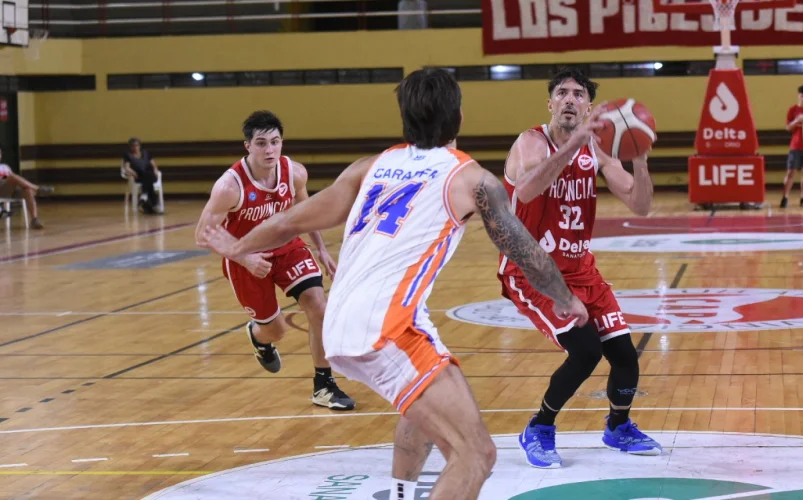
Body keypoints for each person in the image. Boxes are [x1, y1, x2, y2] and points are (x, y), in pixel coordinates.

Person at [197, 68, 588, 500]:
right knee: (476, 455)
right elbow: (526, 252)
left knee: (427, 396)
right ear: (458, 117)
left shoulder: (370, 167)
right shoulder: (471, 179)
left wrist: (237, 247)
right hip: (387, 325)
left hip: (340, 320)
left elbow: (290, 220)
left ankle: (402, 493)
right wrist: (566, 297)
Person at [499, 67, 661, 469]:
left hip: (581, 270)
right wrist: (574, 144)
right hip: (533, 271)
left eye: (578, 94)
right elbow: (527, 189)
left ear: (589, 107)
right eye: (562, 93)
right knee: (586, 351)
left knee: (624, 355)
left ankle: (618, 427)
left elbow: (640, 205)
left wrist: (640, 158)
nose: (570, 99)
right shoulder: (531, 142)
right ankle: (539, 427)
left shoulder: (598, 150)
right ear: (550, 103)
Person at [194, 110, 355, 411]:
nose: (269, 150)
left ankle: (324, 385)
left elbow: (307, 211)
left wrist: (321, 249)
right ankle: (260, 337)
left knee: (318, 306)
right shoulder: (229, 187)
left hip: (287, 246)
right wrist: (244, 258)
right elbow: (203, 234)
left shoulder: (294, 173)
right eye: (261, 143)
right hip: (245, 256)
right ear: (248, 146)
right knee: (275, 330)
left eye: (275, 142)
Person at [0, 147, 52, 229]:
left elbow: (13, 179)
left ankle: (34, 219)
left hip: (11, 189)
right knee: (11, 177)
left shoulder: (5, 166)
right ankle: (38, 189)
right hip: (1, 190)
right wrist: (8, 177)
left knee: (27, 190)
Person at [123, 137, 162, 214]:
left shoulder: (146, 153)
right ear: (130, 147)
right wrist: (133, 172)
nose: (135, 147)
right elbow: (127, 167)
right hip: (139, 176)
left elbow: (154, 165)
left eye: (137, 145)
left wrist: (155, 170)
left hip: (151, 175)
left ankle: (144, 196)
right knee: (149, 183)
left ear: (139, 146)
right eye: (133, 146)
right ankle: (154, 205)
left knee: (148, 174)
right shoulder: (128, 155)